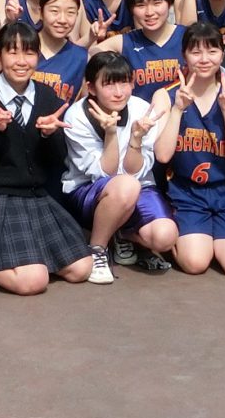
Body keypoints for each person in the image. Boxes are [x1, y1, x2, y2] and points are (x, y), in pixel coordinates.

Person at [0, 22, 95, 294]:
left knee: (82, 268)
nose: (21, 61)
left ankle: (27, 259)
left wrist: (49, 135)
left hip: (35, 198)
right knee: (34, 281)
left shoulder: (46, 96)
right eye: (12, 52)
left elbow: (57, 161)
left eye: (29, 53)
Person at [61, 52, 178, 283]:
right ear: (91, 88)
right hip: (89, 191)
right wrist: (111, 134)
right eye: (108, 84)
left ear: (133, 83)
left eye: (124, 82)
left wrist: (136, 139)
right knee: (125, 186)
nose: (118, 92)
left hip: (136, 187)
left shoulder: (142, 109)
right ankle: (97, 248)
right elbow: (106, 173)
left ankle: (121, 233)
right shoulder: (76, 116)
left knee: (165, 237)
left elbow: (136, 172)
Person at [154, 22, 225, 276]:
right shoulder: (166, 95)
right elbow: (162, 155)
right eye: (196, 52)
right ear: (184, 55)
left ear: (222, 54)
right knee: (195, 264)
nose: (204, 59)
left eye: (212, 51)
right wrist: (178, 110)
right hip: (188, 192)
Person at [89, 0, 183, 102]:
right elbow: (88, 57)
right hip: (140, 114)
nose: (149, 12)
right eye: (141, 5)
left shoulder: (186, 37)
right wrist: (93, 38)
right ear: (131, 9)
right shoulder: (126, 41)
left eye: (157, 3)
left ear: (170, 3)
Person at [31, 0, 89, 105]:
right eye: (54, 11)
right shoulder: (22, 47)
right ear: (40, 13)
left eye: (70, 13)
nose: (62, 20)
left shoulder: (81, 58)